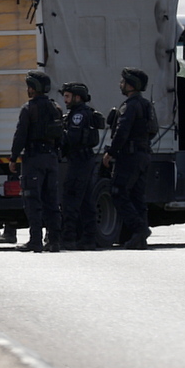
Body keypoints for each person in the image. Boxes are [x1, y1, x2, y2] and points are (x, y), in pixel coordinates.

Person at [8, 70, 63, 253]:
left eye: (29, 87)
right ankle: (54, 240)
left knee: (32, 200)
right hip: (51, 159)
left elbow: (20, 135)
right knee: (52, 201)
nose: (28, 90)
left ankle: (35, 241)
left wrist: (13, 157)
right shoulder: (56, 108)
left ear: (34, 88)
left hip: (34, 159)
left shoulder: (29, 108)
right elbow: (61, 136)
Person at [102, 67, 155, 250]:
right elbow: (153, 129)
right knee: (137, 197)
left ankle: (140, 229)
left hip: (129, 157)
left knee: (118, 193)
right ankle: (139, 239)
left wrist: (111, 152)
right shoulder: (146, 105)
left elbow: (121, 132)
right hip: (143, 155)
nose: (121, 84)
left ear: (131, 85)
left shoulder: (129, 106)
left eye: (123, 81)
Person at [59, 81, 100, 250]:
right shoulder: (79, 113)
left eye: (68, 97)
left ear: (77, 97)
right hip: (83, 160)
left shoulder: (79, 115)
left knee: (71, 199)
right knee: (85, 201)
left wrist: (58, 133)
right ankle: (88, 238)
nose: (65, 100)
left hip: (79, 160)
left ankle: (69, 238)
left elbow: (72, 138)